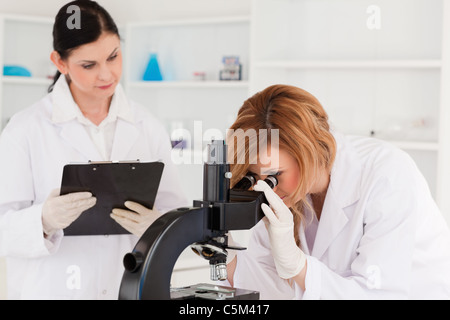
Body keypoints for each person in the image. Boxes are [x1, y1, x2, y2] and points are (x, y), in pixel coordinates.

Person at [0, 0, 187, 299]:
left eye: (113, 57)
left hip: (123, 287)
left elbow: (174, 212)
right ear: (60, 63)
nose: (107, 74)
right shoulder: (24, 130)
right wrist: (43, 221)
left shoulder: (147, 126)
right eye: (89, 65)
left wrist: (159, 225)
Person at [224, 84, 450, 299]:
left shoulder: (387, 175)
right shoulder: (285, 196)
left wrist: (299, 267)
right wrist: (225, 254)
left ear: (308, 154)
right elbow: (272, 287)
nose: (264, 189)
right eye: (254, 177)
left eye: (275, 175)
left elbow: (378, 295)